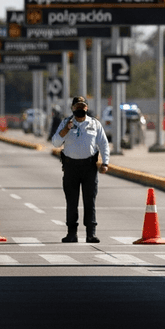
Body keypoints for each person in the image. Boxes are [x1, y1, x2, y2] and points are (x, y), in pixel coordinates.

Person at [51, 96, 110, 243]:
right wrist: (65, 130)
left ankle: (91, 233)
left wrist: (105, 163)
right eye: (77, 107)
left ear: (86, 108)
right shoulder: (66, 123)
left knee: (90, 201)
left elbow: (103, 143)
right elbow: (55, 143)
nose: (80, 109)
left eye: (82, 107)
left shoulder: (94, 124)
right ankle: (72, 233)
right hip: (71, 167)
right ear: (72, 108)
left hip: (89, 167)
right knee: (72, 202)